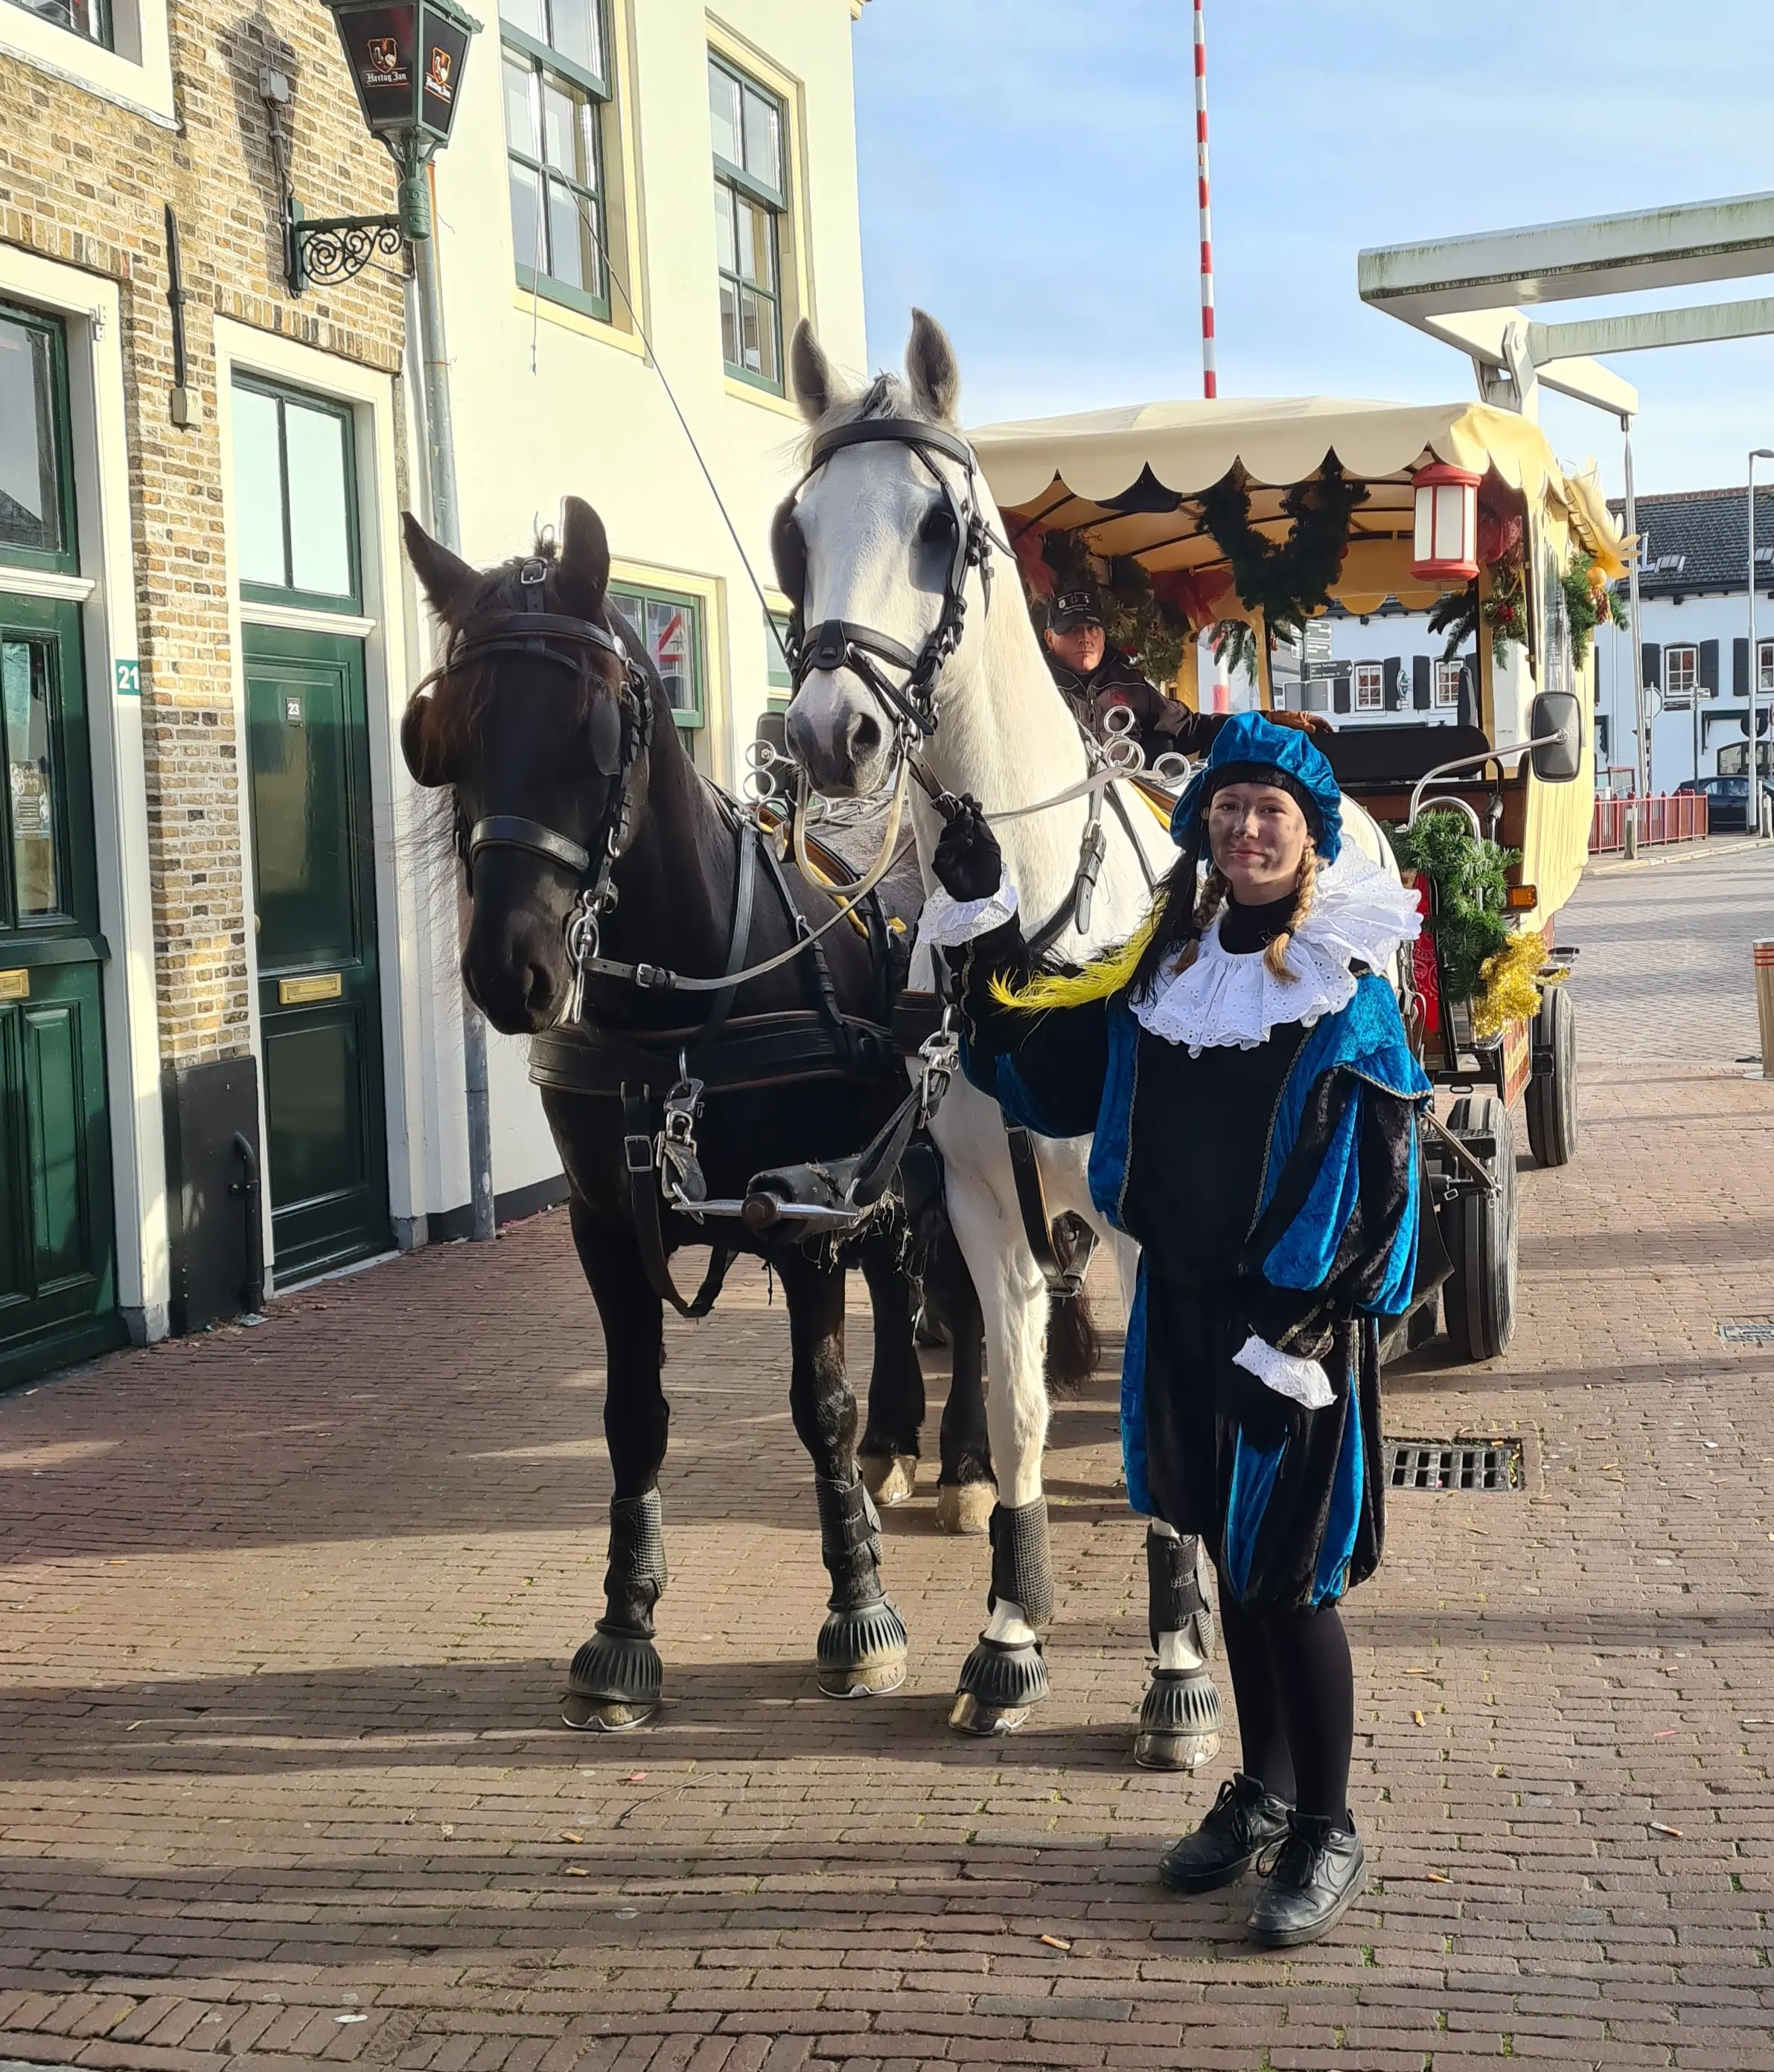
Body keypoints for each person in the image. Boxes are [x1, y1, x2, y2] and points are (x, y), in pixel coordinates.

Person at [918, 712, 1429, 1948]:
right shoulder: (1162, 971)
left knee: (1290, 1581)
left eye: (1270, 812)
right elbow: (1050, 1072)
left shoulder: (1344, 994)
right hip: (1182, 1310)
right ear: (1202, 827)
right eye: (1228, 809)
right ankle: (1261, 1790)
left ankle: (1326, 1825)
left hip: (1290, 1335)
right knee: (1224, 1567)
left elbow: (1370, 1188)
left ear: (1309, 837)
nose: (1246, 830)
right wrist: (984, 929)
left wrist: (1288, 1337)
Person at [1042, 588, 1330, 763]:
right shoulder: (1037, 688)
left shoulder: (1130, 685)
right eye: (1071, 629)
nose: (1085, 638)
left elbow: (1193, 728)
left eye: (1092, 629)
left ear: (1104, 636)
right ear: (1049, 639)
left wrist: (1272, 721)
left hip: (1128, 803)